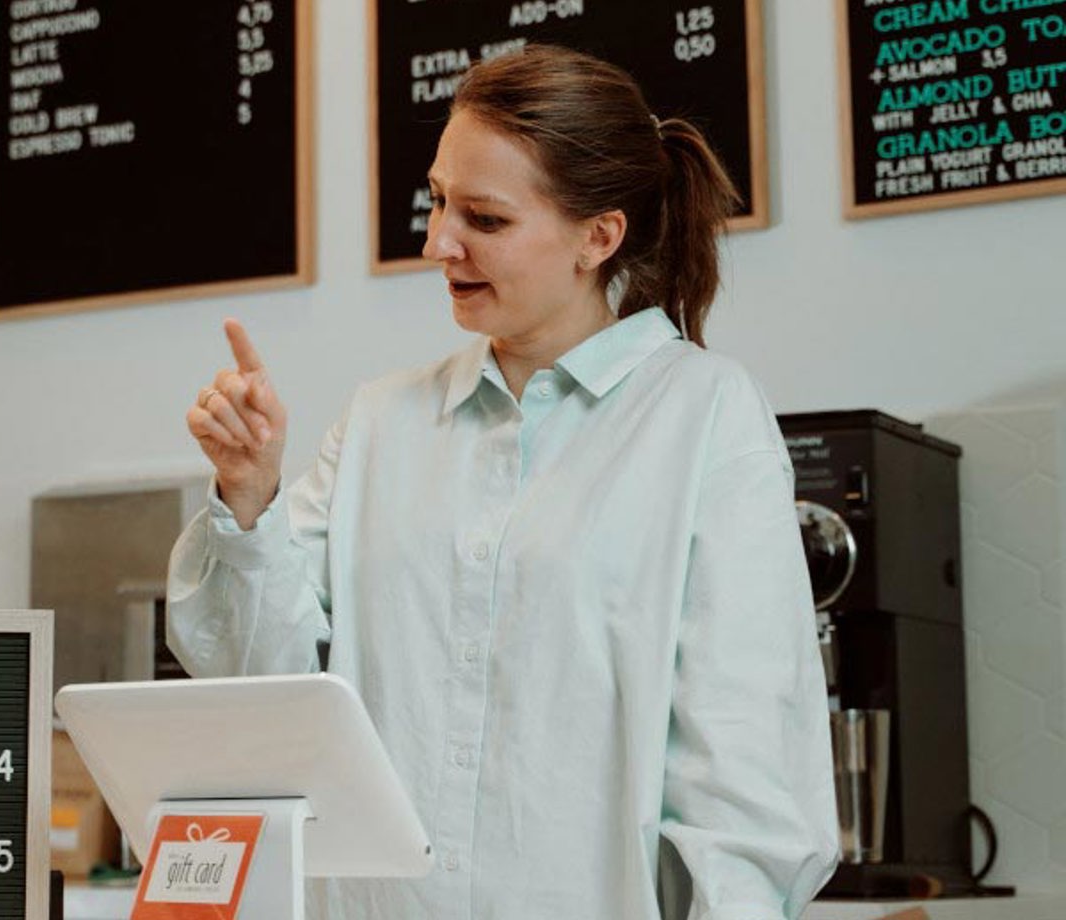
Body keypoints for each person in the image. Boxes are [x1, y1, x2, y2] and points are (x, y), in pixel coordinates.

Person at [168, 46, 838, 920]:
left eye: (484, 217)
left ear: (600, 237)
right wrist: (249, 497)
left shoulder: (703, 416)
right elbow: (255, 692)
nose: (438, 242)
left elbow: (748, 771)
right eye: (439, 199)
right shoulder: (381, 422)